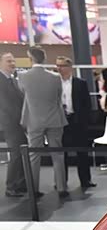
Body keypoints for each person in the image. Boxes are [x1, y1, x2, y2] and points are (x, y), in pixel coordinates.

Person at [18, 47, 69, 198]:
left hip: (34, 120)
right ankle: (61, 188)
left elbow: (23, 94)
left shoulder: (23, 76)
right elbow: (58, 96)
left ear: (30, 59)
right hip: (54, 119)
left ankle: (33, 189)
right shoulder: (55, 77)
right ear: (44, 58)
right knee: (57, 154)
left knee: (34, 155)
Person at [56, 57, 95, 189]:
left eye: (62, 65)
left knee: (82, 152)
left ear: (69, 67)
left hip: (78, 121)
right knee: (62, 154)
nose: (59, 68)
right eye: (57, 65)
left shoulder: (80, 83)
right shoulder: (55, 83)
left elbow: (87, 103)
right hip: (61, 121)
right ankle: (61, 182)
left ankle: (85, 180)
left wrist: (85, 120)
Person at [0, 52, 31, 198]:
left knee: (21, 153)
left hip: (18, 123)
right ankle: (11, 186)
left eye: (13, 61)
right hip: (9, 123)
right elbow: (5, 105)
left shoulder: (12, 80)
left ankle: (21, 184)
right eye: (8, 61)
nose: (12, 63)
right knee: (16, 154)